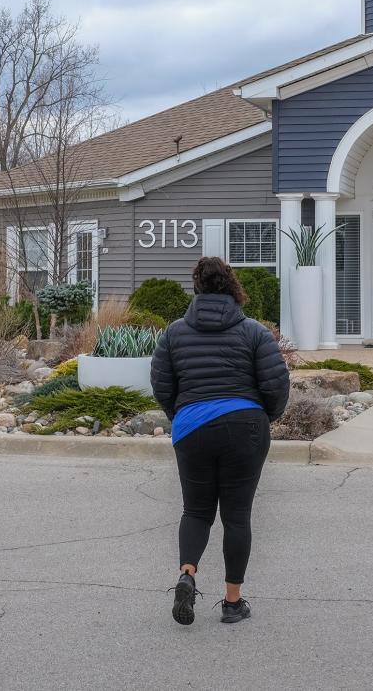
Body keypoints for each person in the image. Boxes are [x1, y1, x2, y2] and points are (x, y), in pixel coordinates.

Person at [151, 257, 290, 625]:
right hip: (245, 426)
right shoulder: (255, 332)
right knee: (237, 516)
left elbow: (162, 386)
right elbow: (276, 386)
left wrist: (182, 415)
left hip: (192, 427)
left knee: (195, 511)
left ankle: (188, 574)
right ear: (232, 286)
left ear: (196, 287)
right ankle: (232, 602)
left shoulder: (174, 333)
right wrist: (263, 417)